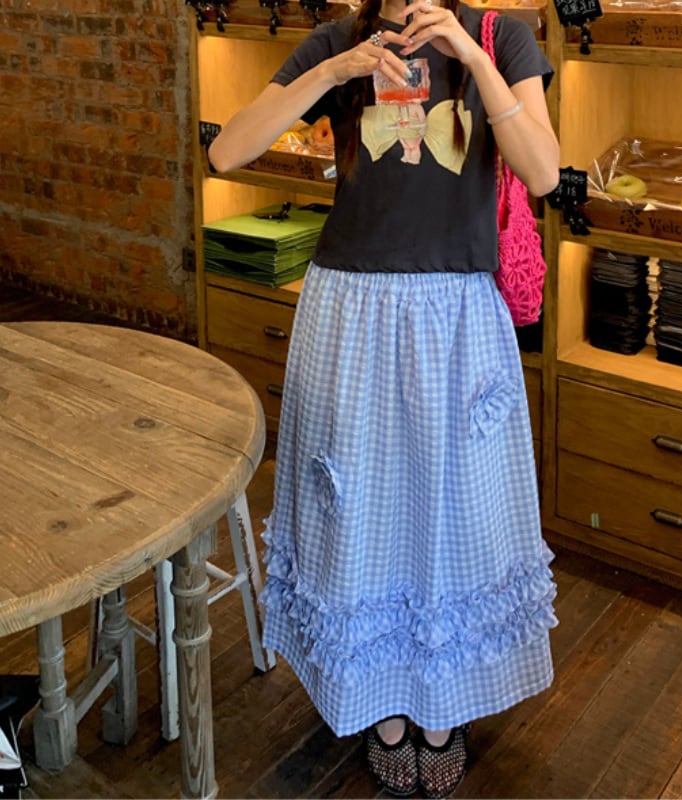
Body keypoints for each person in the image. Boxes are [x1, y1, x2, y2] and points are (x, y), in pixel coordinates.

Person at [209, 0, 560, 795]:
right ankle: (383, 706)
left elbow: (542, 172)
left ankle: (443, 707)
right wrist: (338, 71)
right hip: (353, 311)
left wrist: (473, 60)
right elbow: (229, 151)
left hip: (456, 317)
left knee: (452, 512)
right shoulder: (338, 41)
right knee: (362, 510)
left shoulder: (500, 37)